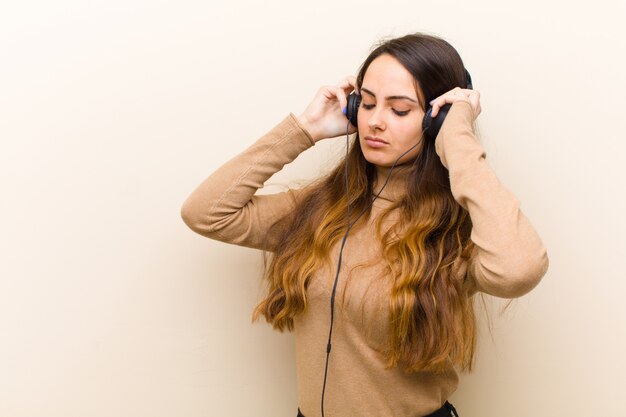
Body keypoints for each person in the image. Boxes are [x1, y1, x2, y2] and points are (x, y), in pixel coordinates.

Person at [180, 32, 549, 417]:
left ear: (434, 119)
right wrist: (305, 129)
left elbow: (519, 269)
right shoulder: (320, 209)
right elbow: (206, 212)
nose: (374, 122)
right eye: (367, 103)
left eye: (400, 110)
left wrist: (457, 137)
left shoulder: (457, 230)